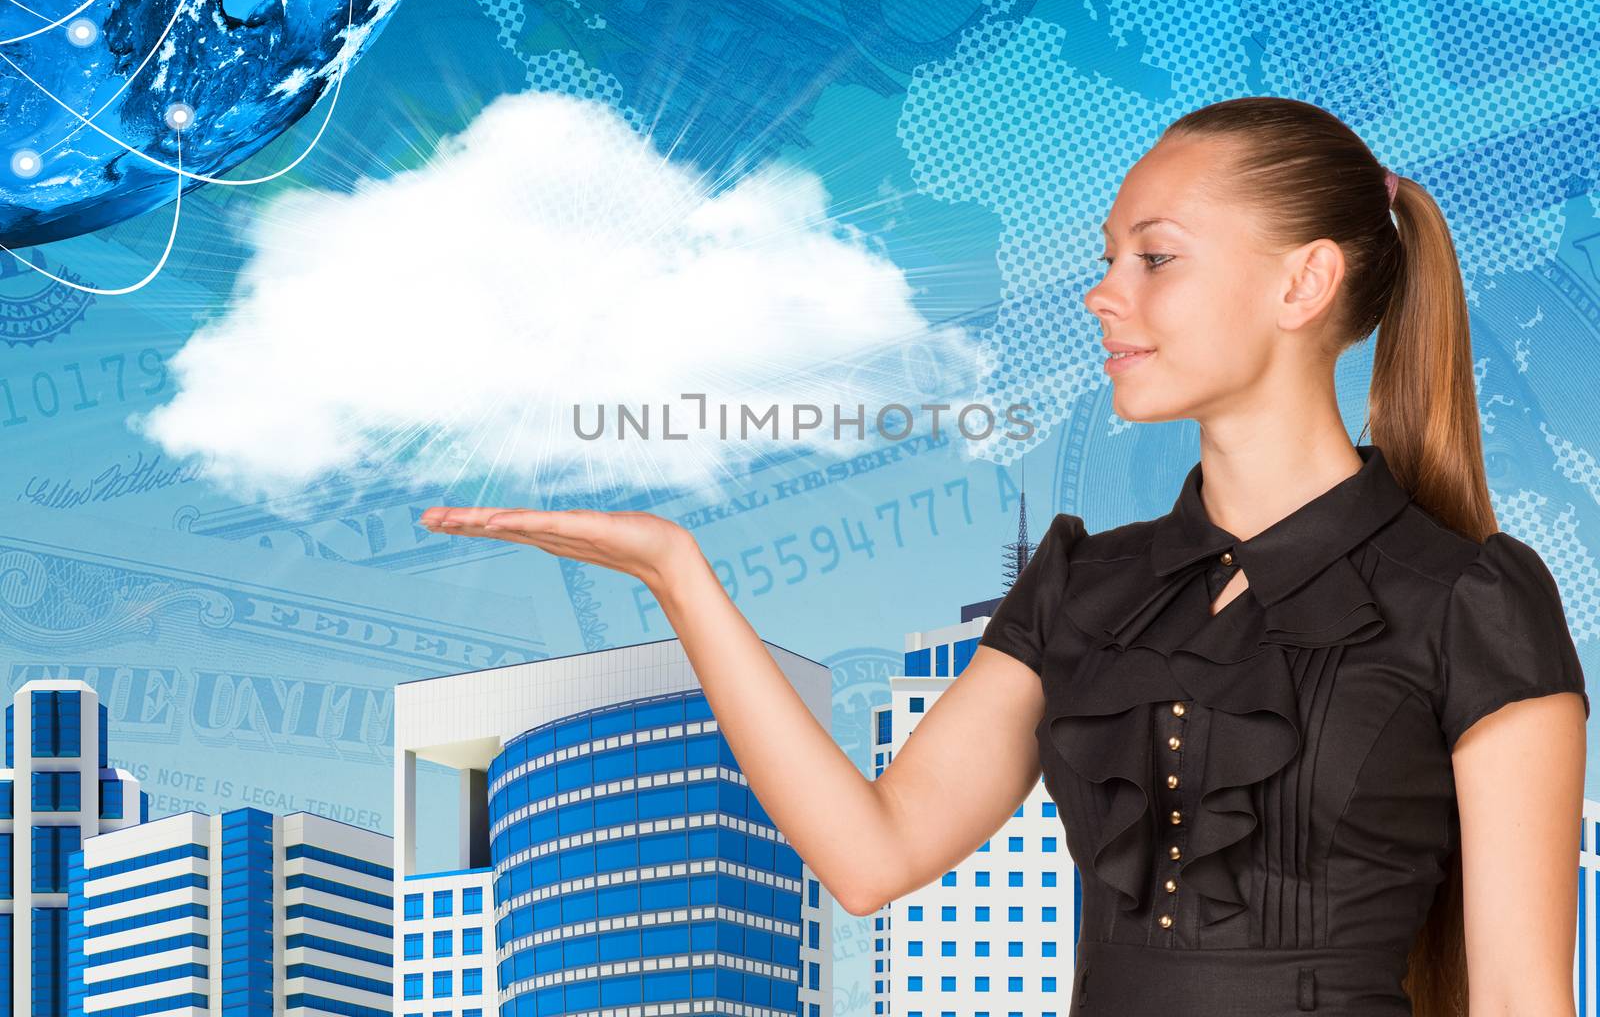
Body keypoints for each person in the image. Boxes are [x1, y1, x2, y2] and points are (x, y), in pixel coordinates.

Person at [418, 96, 1589, 1016]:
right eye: (1107, 257)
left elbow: (1517, 1000)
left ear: (1304, 281)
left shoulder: (1470, 601)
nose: (1101, 293)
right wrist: (681, 575)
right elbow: (870, 856)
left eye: (1154, 258)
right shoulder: (1086, 587)